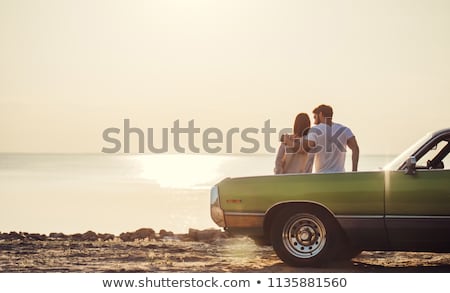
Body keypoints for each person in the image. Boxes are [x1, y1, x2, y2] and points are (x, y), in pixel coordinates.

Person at [304, 104, 359, 173]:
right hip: (340, 175)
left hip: (322, 175)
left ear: (320, 114)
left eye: (315, 117)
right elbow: (355, 149)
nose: (314, 121)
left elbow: (310, 155)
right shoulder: (344, 129)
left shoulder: (314, 130)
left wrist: (306, 173)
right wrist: (354, 171)